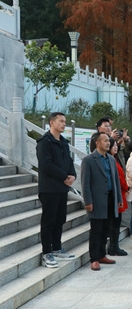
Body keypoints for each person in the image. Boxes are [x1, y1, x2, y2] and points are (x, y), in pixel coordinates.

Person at [36, 112, 77, 268]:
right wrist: (64, 176)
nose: (64, 124)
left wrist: (72, 175)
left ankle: (57, 248)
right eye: (61, 121)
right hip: (49, 188)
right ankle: (47, 253)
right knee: (49, 221)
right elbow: (46, 165)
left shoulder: (63, 142)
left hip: (62, 188)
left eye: (65, 121)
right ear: (52, 123)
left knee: (60, 219)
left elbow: (69, 161)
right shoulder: (44, 142)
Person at [81, 132, 121, 271]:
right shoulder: (88, 160)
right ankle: (94, 259)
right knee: (96, 230)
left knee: (106, 229)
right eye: (105, 141)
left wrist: (118, 198)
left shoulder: (111, 159)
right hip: (96, 199)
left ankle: (102, 254)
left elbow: (115, 180)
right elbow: (85, 182)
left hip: (110, 198)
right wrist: (88, 201)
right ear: (97, 143)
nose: (108, 143)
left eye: (108, 140)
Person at [108, 138, 129, 256]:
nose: (115, 147)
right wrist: (126, 186)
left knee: (117, 221)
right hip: (117, 192)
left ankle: (114, 245)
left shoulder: (115, 159)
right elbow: (119, 178)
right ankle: (113, 246)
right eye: (113, 145)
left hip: (120, 193)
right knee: (114, 221)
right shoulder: (110, 161)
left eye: (116, 145)